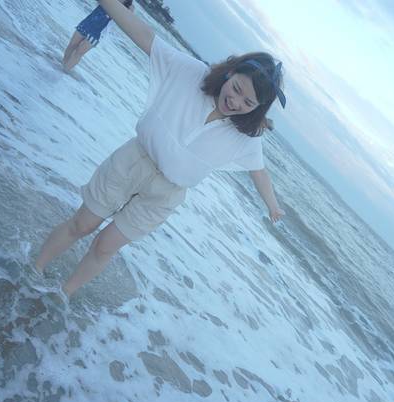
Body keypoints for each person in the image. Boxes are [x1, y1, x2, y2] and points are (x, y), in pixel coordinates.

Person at [35, 0, 286, 298]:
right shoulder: (191, 73)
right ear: (230, 73)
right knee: (82, 224)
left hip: (165, 195)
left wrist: (272, 205)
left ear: (258, 108)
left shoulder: (245, 135)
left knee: (105, 247)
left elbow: (259, 171)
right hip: (134, 161)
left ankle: (62, 296)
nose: (236, 102)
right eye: (236, 89)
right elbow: (144, 35)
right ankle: (32, 270)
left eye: (248, 103)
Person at [62, 0, 135, 71]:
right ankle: (62, 66)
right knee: (72, 45)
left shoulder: (128, 7)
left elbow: (127, 20)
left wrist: (129, 9)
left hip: (98, 32)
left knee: (79, 52)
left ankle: (66, 70)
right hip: (88, 22)